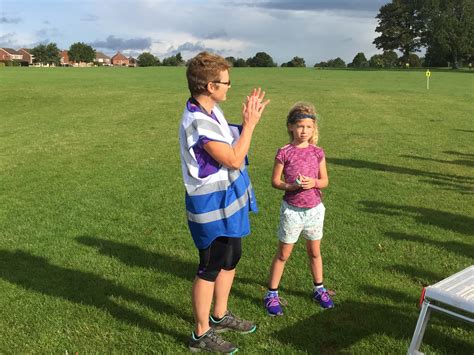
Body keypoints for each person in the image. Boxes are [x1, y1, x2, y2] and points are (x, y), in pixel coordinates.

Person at [179, 51, 269, 353]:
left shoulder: (212, 110)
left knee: (232, 257)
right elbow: (232, 158)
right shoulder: (196, 119)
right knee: (211, 264)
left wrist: (244, 125)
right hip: (209, 204)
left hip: (228, 199)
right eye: (226, 82)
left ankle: (220, 313)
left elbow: (230, 139)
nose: (230, 86)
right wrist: (251, 124)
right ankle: (201, 333)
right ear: (209, 86)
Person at [263, 102, 334, 317]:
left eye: (309, 127)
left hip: (314, 210)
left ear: (314, 129)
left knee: (314, 252)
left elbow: (325, 181)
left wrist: (313, 182)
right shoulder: (284, 152)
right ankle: (271, 294)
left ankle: (319, 289)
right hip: (292, 211)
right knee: (284, 254)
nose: (304, 131)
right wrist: (291, 186)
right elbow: (275, 181)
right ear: (290, 127)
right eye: (300, 126)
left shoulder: (317, 152)